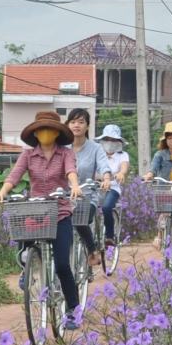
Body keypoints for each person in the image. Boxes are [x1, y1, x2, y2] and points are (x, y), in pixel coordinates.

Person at [0, 111, 83, 327]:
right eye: (41, 129)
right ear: (35, 133)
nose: (45, 133)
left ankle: (73, 310)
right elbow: (15, 175)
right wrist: (3, 191)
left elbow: (70, 171)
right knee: (23, 233)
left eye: (49, 129)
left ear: (57, 132)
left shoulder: (65, 154)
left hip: (60, 212)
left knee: (62, 265)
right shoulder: (28, 155)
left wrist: (75, 185)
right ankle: (28, 267)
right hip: (36, 211)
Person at [64, 108, 112, 267]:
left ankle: (92, 251)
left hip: (86, 197)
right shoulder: (63, 147)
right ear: (67, 125)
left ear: (87, 126)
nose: (76, 125)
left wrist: (106, 178)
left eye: (81, 122)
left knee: (79, 221)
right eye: (73, 122)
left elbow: (104, 165)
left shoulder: (95, 148)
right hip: (64, 197)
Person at [94, 124, 130, 247]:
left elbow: (124, 167)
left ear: (119, 142)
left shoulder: (122, 155)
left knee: (107, 208)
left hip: (113, 188)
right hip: (96, 187)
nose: (110, 142)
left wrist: (121, 173)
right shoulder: (97, 154)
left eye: (114, 140)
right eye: (107, 139)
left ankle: (109, 236)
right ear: (102, 141)